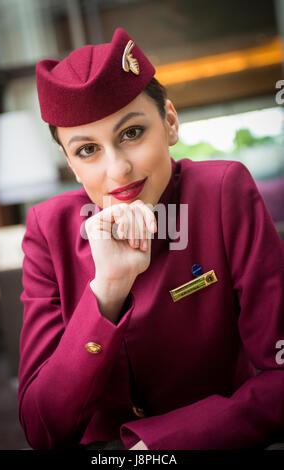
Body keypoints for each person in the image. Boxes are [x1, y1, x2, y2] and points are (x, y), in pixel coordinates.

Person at [18, 27, 284, 450]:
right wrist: (106, 293)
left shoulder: (223, 192)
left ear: (170, 123)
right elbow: (41, 428)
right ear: (71, 164)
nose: (119, 169)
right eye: (87, 150)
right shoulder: (48, 229)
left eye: (131, 133)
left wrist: (161, 446)